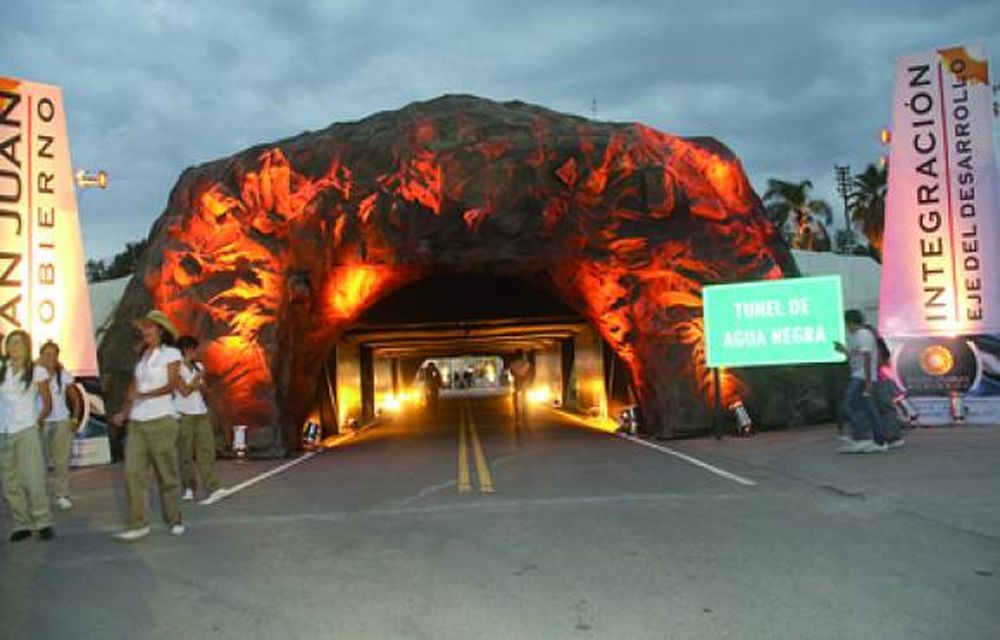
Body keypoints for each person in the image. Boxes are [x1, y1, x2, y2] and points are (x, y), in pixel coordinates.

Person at [111, 310, 185, 541]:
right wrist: (124, 412)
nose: (145, 331)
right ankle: (138, 523)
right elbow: (133, 388)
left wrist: (148, 394)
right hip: (138, 422)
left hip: (162, 419)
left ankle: (174, 518)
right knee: (133, 472)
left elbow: (172, 384)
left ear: (160, 331)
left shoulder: (171, 354)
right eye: (143, 328)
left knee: (166, 473)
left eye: (149, 327)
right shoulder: (142, 358)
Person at [0, 330, 56, 541]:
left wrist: (37, 421)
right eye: (10, 343)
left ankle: (42, 521)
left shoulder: (36, 371)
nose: (13, 347)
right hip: (4, 431)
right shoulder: (2, 369)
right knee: (10, 480)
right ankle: (21, 523)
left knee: (32, 477)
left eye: (17, 343)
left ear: (26, 346)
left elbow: (47, 402)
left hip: (26, 429)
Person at [174, 335, 226, 504]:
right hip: (183, 414)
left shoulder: (199, 366)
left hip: (200, 412)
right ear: (187, 349)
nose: (197, 352)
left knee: (206, 450)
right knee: (186, 454)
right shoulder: (175, 368)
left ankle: (213, 487)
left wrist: (201, 384)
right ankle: (189, 487)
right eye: (195, 349)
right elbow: (184, 391)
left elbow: (202, 390)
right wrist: (197, 379)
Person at [834, 310, 887, 453]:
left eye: (846, 324)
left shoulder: (863, 334)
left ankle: (864, 437)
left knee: (848, 404)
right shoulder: (857, 335)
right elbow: (855, 355)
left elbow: (867, 357)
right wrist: (844, 351)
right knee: (869, 409)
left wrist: (868, 381)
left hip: (862, 377)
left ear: (851, 322)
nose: (846, 327)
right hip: (861, 376)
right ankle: (877, 440)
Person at [39, 341, 82, 510]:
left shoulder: (63, 374)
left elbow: (75, 398)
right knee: (39, 462)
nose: (51, 358)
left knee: (62, 461)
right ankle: (39, 497)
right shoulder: (34, 374)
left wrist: (75, 419)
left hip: (61, 421)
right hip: (41, 422)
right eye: (47, 354)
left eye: (54, 354)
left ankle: (62, 494)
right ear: (41, 355)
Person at [509, 350, 533, 431]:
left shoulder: (512, 364)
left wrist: (517, 374)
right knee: (525, 401)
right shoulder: (527, 364)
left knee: (515, 400)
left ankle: (517, 418)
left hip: (516, 383)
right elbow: (529, 373)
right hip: (525, 384)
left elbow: (512, 373)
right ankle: (525, 415)